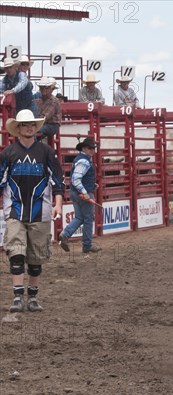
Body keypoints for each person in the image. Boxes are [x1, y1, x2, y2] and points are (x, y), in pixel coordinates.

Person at [0, 109, 65, 312]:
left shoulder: (46, 152)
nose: (29, 128)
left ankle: (33, 297)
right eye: (25, 124)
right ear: (18, 129)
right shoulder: (8, 154)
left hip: (41, 212)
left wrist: (58, 203)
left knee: (36, 258)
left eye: (32, 125)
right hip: (14, 212)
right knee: (16, 254)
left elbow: (57, 180)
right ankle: (18, 296)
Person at [58, 137, 101, 254]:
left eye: (93, 148)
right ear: (84, 148)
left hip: (75, 192)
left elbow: (76, 178)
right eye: (90, 148)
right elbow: (76, 179)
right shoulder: (85, 161)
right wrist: (85, 192)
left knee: (80, 217)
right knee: (88, 218)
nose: (92, 150)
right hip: (82, 194)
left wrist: (91, 185)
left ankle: (65, 234)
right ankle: (87, 245)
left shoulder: (80, 159)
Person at [33, 77, 62, 141]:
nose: (43, 89)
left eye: (46, 88)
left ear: (50, 89)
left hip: (53, 125)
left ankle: (32, 148)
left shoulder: (54, 101)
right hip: (42, 123)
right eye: (41, 88)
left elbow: (45, 117)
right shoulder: (38, 100)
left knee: (35, 131)